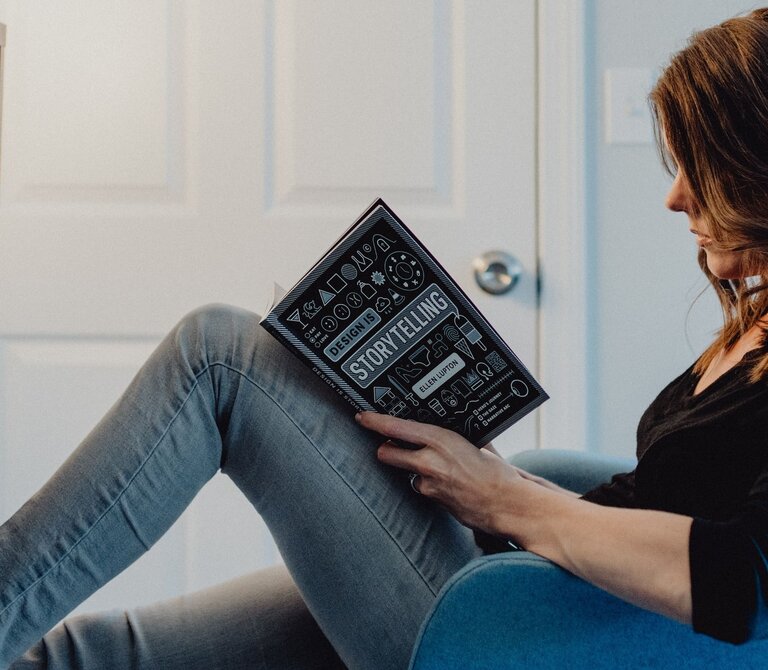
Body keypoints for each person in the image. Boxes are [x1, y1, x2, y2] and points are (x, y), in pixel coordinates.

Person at [3, 7, 768, 668]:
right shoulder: (751, 331)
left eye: (700, 166)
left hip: (512, 639)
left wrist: (508, 503)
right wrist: (499, 484)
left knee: (220, 355)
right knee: (84, 657)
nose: (675, 197)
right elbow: (665, 498)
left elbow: (745, 586)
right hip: (514, 595)